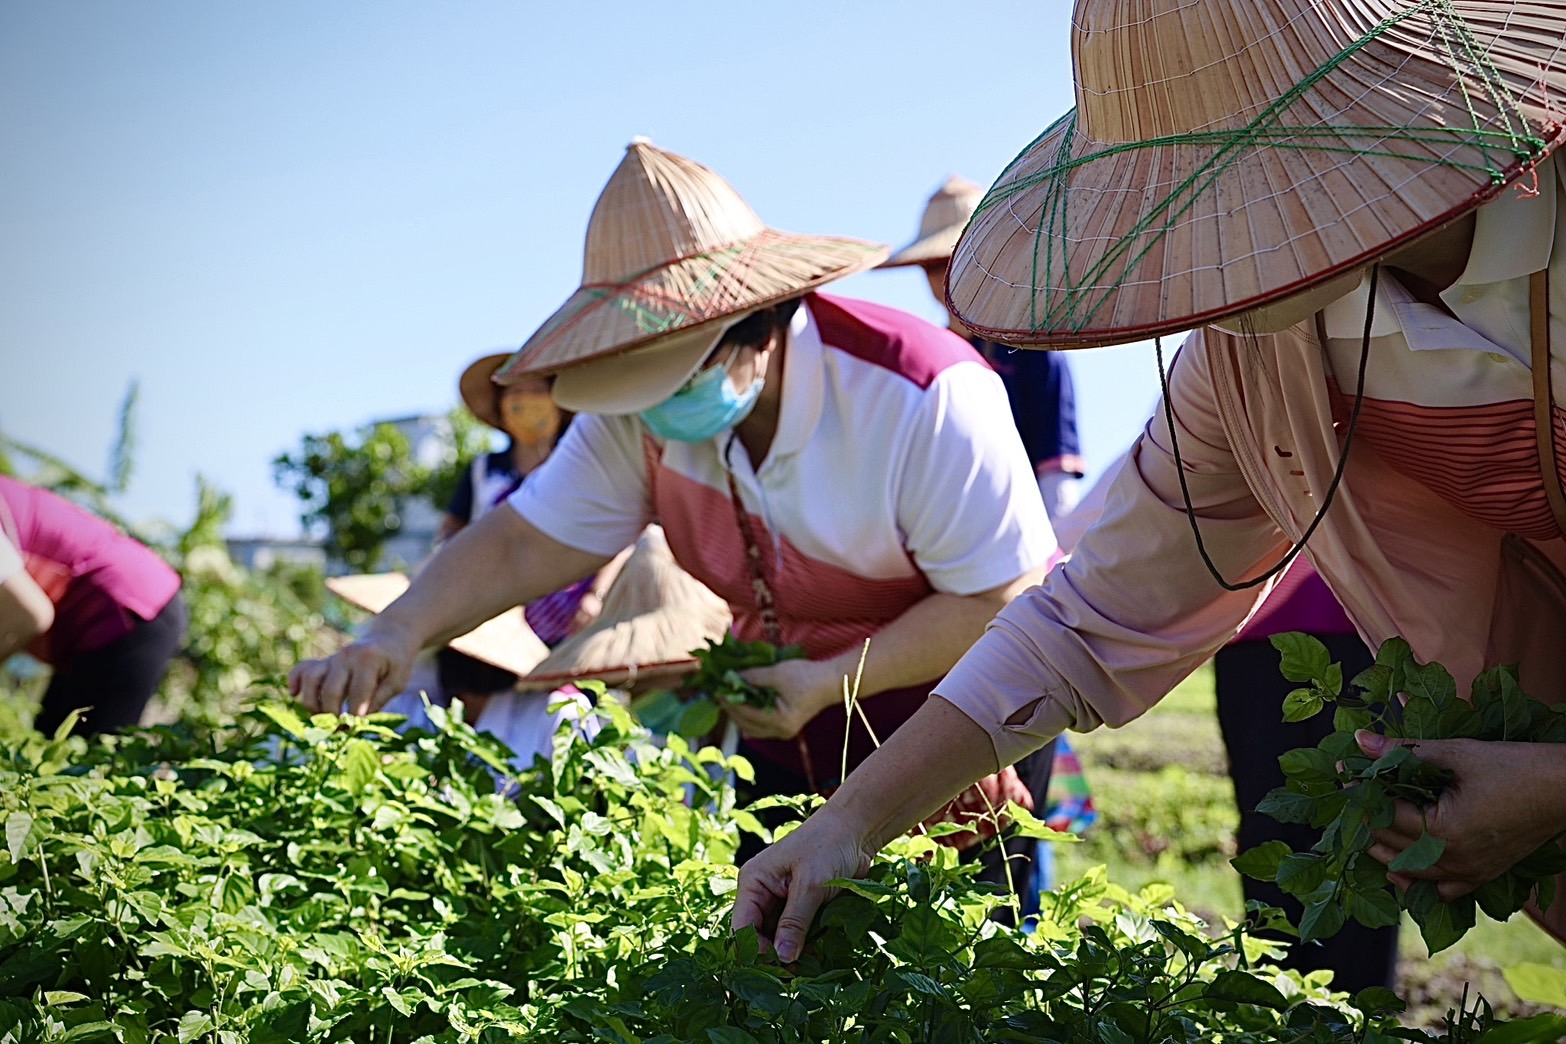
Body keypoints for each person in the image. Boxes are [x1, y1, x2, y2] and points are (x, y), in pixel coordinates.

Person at [734, 0, 1566, 963]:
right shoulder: (1257, 352)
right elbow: (1094, 614)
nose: (1196, 257)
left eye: (1223, 193)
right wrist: (852, 821)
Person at [289, 142, 1055, 883]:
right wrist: (397, 630)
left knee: (948, 975)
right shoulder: (634, 413)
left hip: (953, 732)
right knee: (777, 968)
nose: (654, 401)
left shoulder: (920, 396)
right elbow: (523, 541)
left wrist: (828, 682)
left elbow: (999, 599)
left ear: (758, 326)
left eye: (677, 372)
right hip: (787, 730)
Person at [880, 175, 1084, 523]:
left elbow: (1056, 471)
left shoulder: (1032, 348)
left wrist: (1055, 560)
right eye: (933, 266)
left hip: (1025, 535)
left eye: (955, 260)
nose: (944, 278)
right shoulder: (920, 358)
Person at [438, 355, 609, 644]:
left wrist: (596, 594)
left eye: (537, 391)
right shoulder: (483, 470)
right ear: (501, 404)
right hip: (495, 610)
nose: (527, 401)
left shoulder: (583, 464)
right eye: (516, 392)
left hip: (575, 614)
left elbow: (618, 530)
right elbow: (451, 531)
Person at [0, 476, 186, 738]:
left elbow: (28, 613)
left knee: (84, 762)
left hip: (127, 608)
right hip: (108, 611)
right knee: (50, 750)